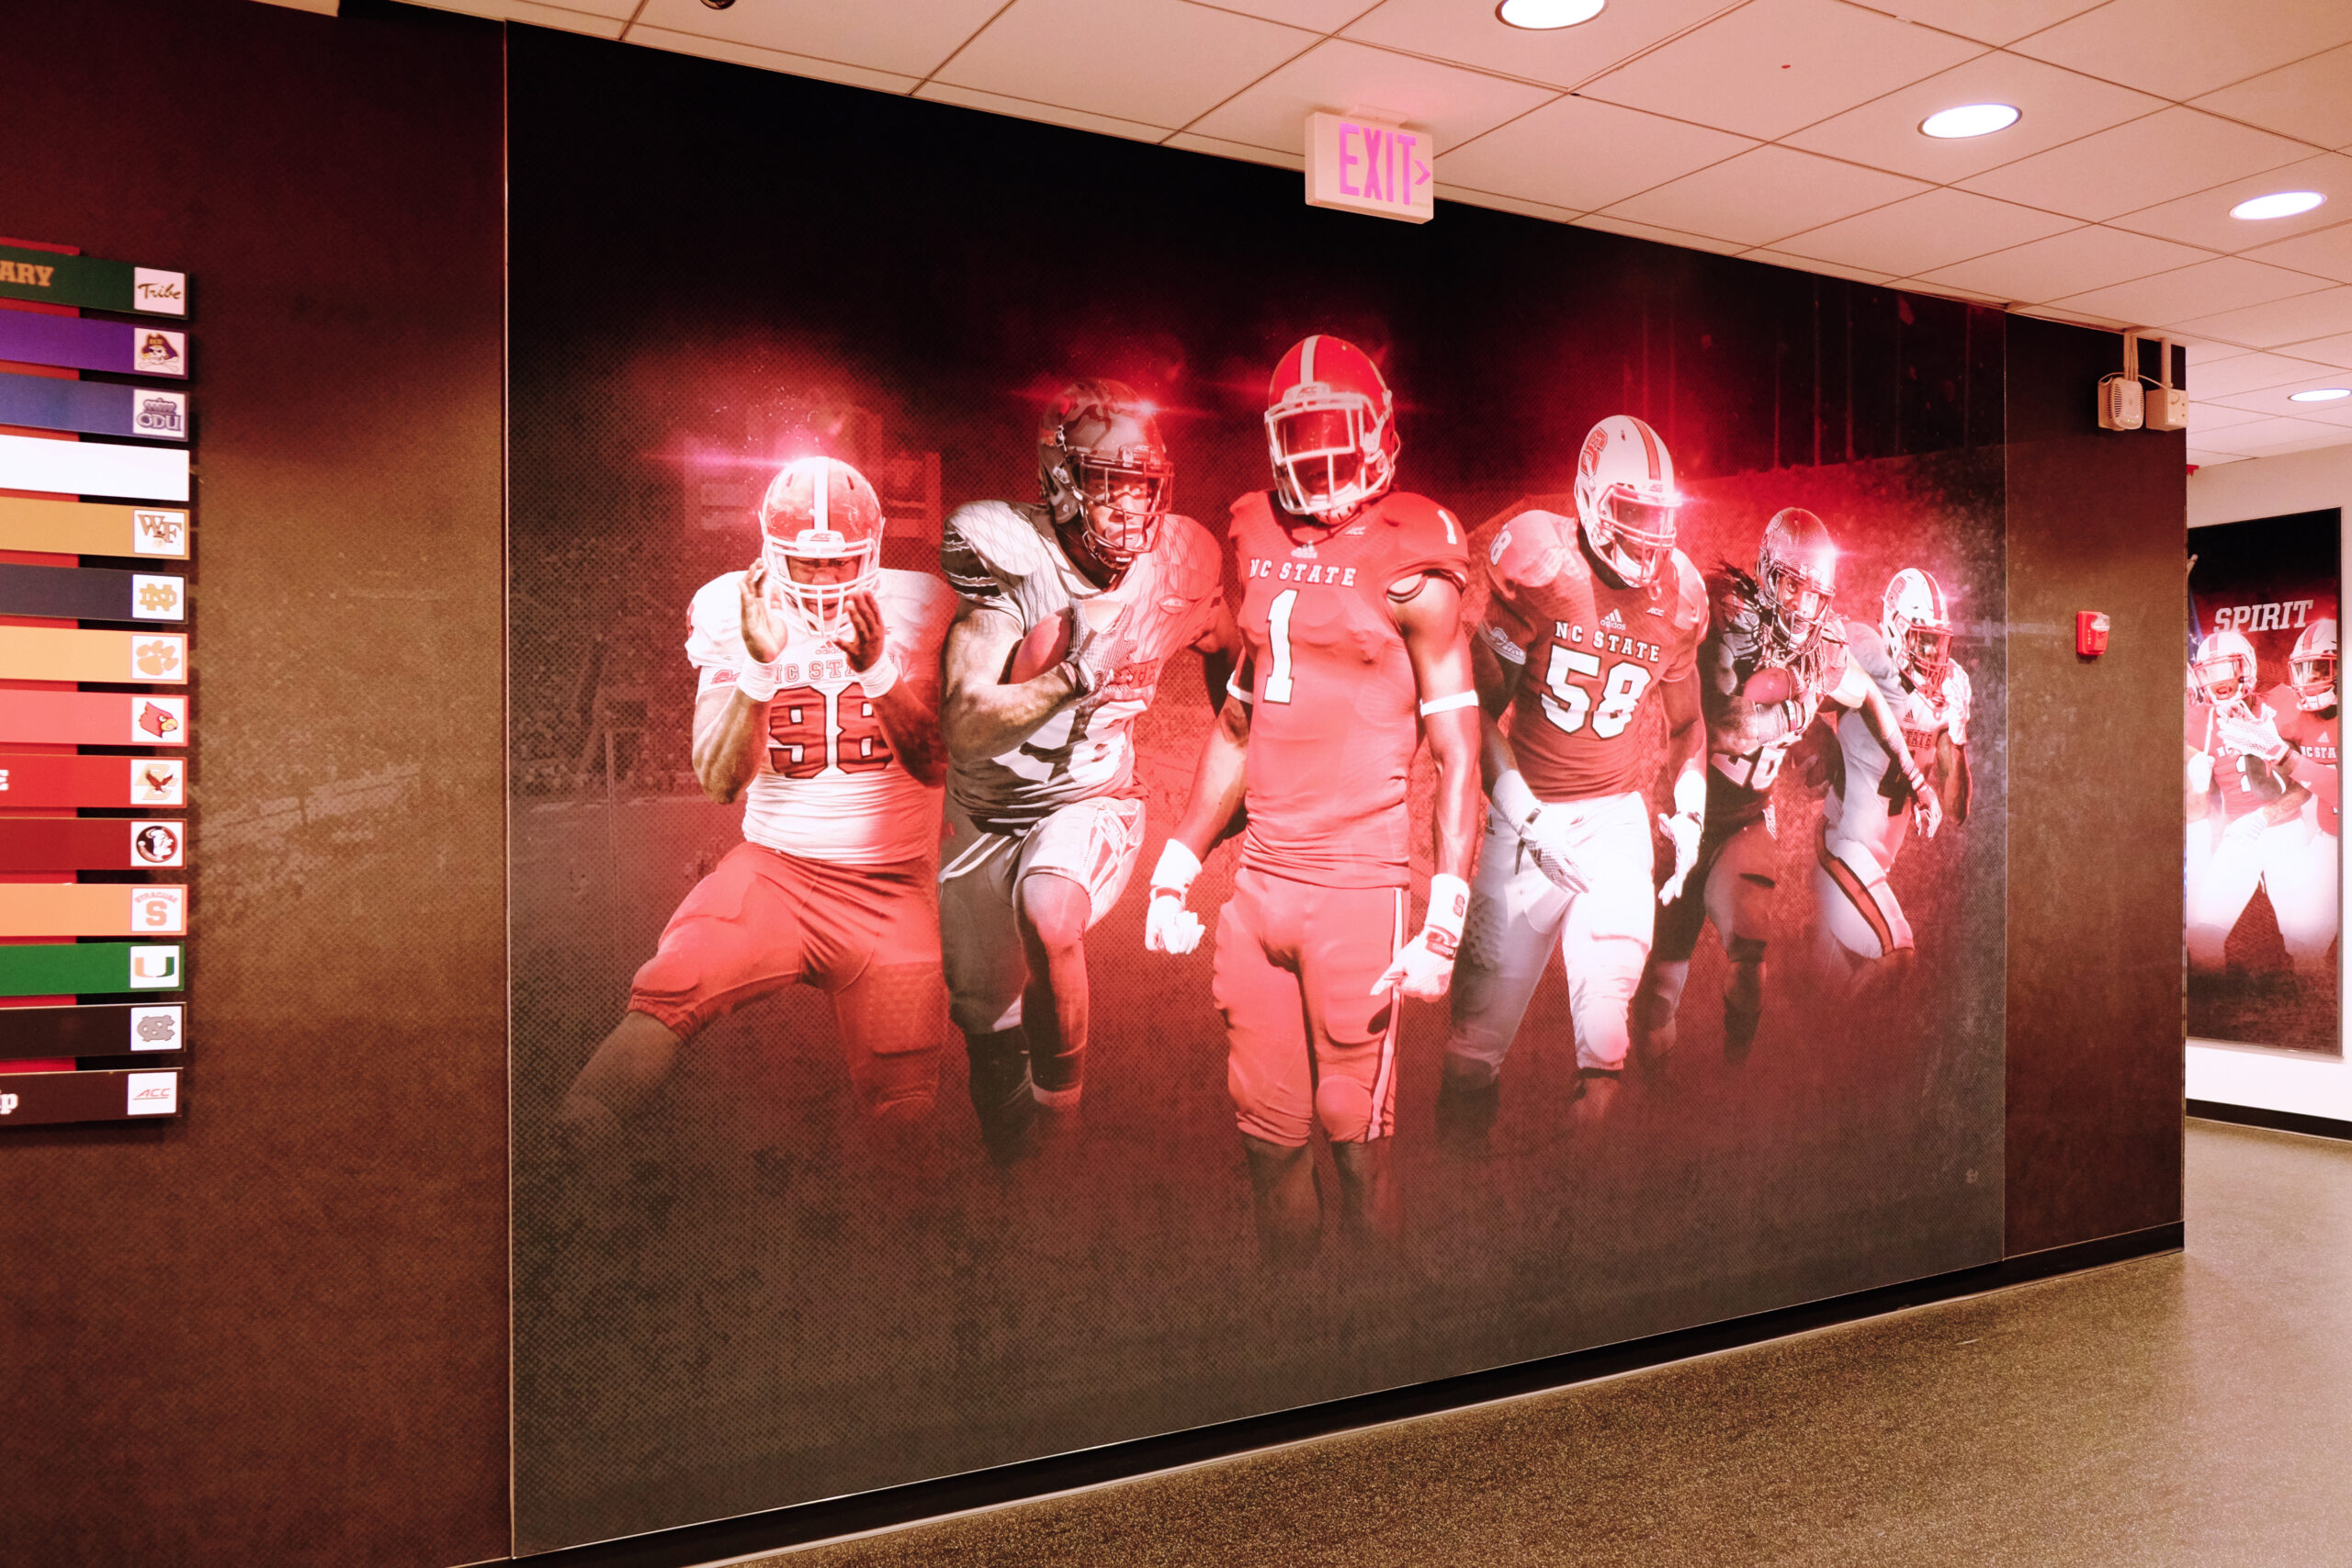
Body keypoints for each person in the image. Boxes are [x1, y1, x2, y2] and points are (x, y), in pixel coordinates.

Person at [1147, 334, 1479, 1266]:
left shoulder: (1414, 553)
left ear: (1378, 434)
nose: (1318, 456)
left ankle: (1382, 1337)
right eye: (1300, 434)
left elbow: (1459, 754)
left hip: (1356, 890)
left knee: (1355, 1142)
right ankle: (1295, 1333)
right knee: (1267, 1144)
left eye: (1337, 432)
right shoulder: (1255, 531)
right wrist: (1178, 862)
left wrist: (1444, 921)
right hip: (1259, 889)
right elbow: (1239, 721)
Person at [560, 456, 954, 1159]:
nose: (827, 582)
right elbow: (717, 779)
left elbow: (933, 761)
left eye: (842, 564)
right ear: (772, 552)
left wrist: (878, 669)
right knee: (670, 985)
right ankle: (565, 1163)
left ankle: (909, 1248)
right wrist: (760, 668)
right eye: (806, 564)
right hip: (776, 870)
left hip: (891, 885)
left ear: (876, 550)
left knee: (906, 1108)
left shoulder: (924, 606)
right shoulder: (730, 608)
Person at [935, 379, 1234, 1163]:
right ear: (1061, 480)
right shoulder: (1010, 559)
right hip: (987, 810)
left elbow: (1227, 646)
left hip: (1092, 793)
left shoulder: (1180, 563)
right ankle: (1015, 1169)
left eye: (1143, 485)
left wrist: (1243, 732)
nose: (1131, 507)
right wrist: (1068, 677)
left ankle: (1060, 1143)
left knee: (1050, 912)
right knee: (986, 1026)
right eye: (1109, 483)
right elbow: (965, 724)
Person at [1435, 414, 1710, 1151]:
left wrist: (1689, 809)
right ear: (1590, 499)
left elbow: (1688, 724)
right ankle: (1454, 1208)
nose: (1651, 537)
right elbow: (1472, 712)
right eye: (1633, 513)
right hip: (1525, 826)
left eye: (1662, 517)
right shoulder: (1544, 566)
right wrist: (1527, 817)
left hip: (1616, 826)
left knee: (1606, 1049)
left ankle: (1568, 1224)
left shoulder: (1679, 597)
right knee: (1469, 1061)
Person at [1632, 507, 1939, 1062]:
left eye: (1812, 592)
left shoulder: (1822, 647)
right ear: (1766, 572)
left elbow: (1867, 696)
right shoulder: (1727, 618)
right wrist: (1798, 708)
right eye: (1789, 585)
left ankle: (1732, 1085)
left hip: (1747, 817)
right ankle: (1653, 1101)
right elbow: (1723, 725)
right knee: (1658, 990)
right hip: (1687, 812)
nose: (1800, 605)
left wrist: (1915, 776)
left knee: (1750, 961)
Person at [1812, 567, 1973, 992]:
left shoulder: (1949, 688)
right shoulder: (1867, 655)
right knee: (1897, 953)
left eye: (1938, 641)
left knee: (1831, 995)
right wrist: (1818, 744)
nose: (1933, 653)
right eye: (1923, 638)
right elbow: (1803, 690)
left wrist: (1957, 740)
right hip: (1841, 845)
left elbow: (1955, 811)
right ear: (1895, 629)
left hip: (1874, 865)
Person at [2186, 626, 2327, 978]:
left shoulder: (2279, 707)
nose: (2217, 681)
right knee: (2203, 938)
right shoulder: (2199, 722)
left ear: (2246, 668)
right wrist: (2198, 785)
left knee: (2305, 944)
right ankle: (2214, 1018)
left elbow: (2308, 784)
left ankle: (2308, 1022)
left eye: (2225, 669)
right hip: (2237, 836)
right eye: (2208, 672)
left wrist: (2266, 815)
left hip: (2284, 831)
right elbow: (2197, 811)